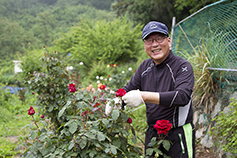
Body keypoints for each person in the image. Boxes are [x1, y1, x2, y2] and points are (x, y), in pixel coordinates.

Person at [121, 21, 195, 158]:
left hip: (178, 134)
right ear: (144, 46)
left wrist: (143, 96)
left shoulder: (182, 66)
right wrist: (115, 101)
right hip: (153, 134)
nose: (154, 44)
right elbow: (127, 89)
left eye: (159, 39)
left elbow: (182, 97)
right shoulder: (145, 67)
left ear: (168, 41)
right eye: (149, 40)